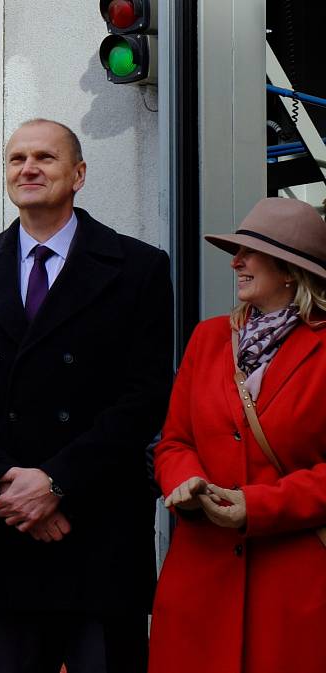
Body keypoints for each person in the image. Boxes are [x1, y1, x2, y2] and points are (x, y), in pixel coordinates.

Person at [0, 118, 174, 673]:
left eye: (45, 157)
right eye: (17, 159)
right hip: (1, 528)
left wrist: (58, 482)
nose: (28, 168)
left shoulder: (138, 268)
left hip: (96, 531)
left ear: (79, 174)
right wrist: (7, 486)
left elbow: (146, 395)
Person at [150, 197, 326, 673]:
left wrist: (259, 506)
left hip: (294, 589)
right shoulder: (208, 338)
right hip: (200, 582)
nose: (235, 262)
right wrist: (184, 483)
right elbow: (174, 441)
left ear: (289, 269)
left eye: (249, 252)